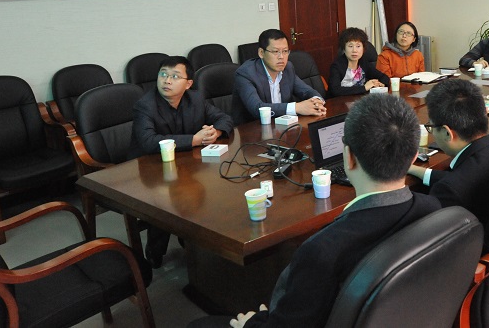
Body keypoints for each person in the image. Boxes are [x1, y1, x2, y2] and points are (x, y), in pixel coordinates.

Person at [187, 94, 440, 328]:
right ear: (413, 157)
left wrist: (250, 324)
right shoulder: (432, 209)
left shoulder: (322, 251)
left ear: (348, 157)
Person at [130, 55, 234, 267]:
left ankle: (198, 243)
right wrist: (194, 140)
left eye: (175, 76)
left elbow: (224, 118)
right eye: (163, 75)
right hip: (151, 169)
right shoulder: (145, 106)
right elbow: (149, 142)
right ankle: (155, 251)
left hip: (185, 164)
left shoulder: (195, 99)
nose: (167, 81)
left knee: (214, 188)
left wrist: (215, 132)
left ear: (188, 84)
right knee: (167, 199)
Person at [407, 79, 489, 224]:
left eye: (430, 126)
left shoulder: (450, 191)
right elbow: (467, 176)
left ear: (447, 133)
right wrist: (414, 169)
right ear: (484, 113)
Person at [231, 29, 326, 125]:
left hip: (283, 126)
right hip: (252, 129)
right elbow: (257, 109)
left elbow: (307, 91)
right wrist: (297, 107)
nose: (281, 57)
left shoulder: (288, 68)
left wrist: (317, 101)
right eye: (276, 51)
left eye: (285, 51)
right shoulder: (245, 74)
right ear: (261, 53)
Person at [327, 27, 390, 95]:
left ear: (363, 48)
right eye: (350, 46)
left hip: (360, 98)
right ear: (344, 49)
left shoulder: (363, 62)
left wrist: (381, 84)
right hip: (340, 100)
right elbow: (335, 90)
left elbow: (383, 77)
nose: (354, 50)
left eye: (358, 46)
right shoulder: (336, 66)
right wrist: (364, 88)